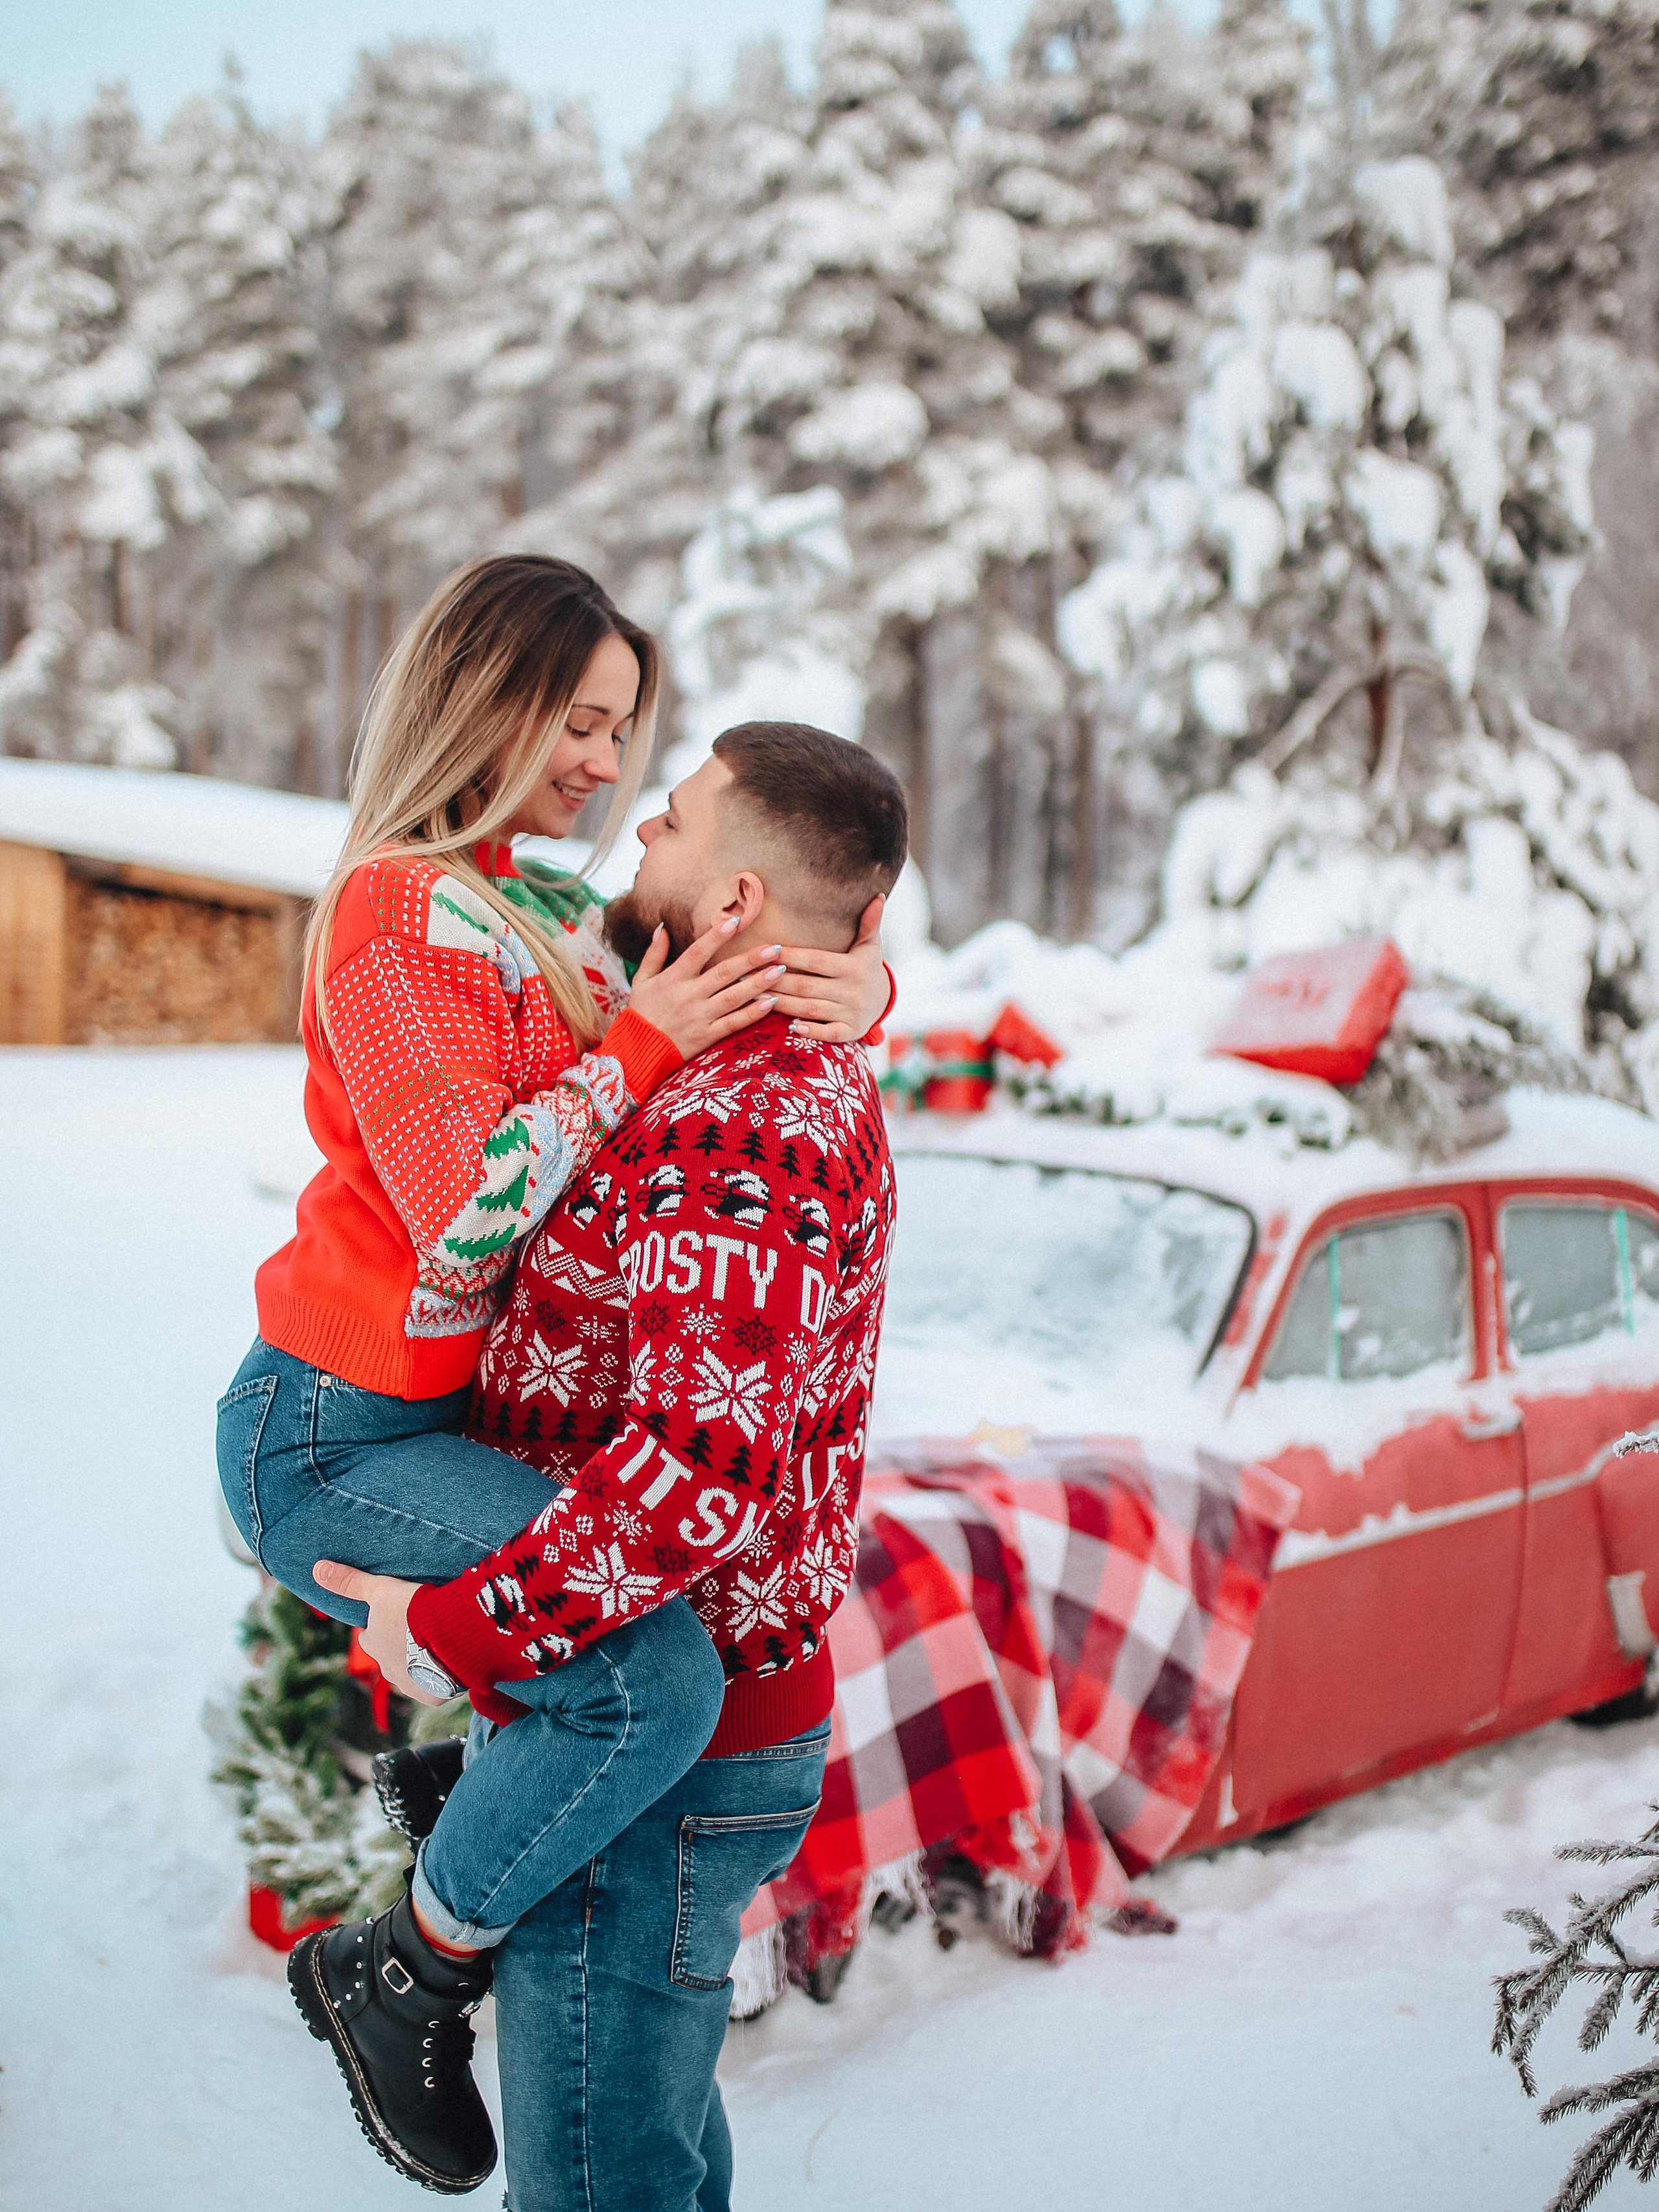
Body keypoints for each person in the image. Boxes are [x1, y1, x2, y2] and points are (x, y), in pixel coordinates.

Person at [215, 558, 892, 2194]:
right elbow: (466, 1210)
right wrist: (647, 1044)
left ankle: (461, 1868)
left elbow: (748, 946)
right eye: (580, 724)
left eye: (623, 736)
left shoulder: (534, 907)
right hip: (333, 1420)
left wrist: (856, 982)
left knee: (635, 1676)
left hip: (429, 1423)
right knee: (649, 1678)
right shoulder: (395, 907)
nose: (602, 766)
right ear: (488, 698)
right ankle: (411, 1963)